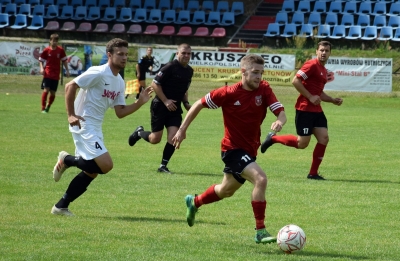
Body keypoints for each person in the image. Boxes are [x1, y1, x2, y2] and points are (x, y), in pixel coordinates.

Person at [172, 54, 287, 244]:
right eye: (255, 72)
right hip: (232, 149)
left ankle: (194, 202)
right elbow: (198, 104)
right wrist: (182, 130)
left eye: (261, 72)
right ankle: (260, 231)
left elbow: (281, 113)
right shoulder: (228, 93)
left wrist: (279, 122)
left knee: (225, 190)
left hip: (249, 150)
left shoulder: (264, 89)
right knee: (260, 179)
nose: (259, 77)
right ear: (243, 72)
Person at [50, 38, 153, 216]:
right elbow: (70, 86)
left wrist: (140, 102)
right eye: (119, 54)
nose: (124, 58)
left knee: (91, 172)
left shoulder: (119, 81)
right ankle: (67, 160)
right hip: (84, 123)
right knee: (106, 165)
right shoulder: (98, 72)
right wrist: (71, 114)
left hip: (96, 127)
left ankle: (61, 206)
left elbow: (120, 112)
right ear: (109, 55)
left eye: (126, 54)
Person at [260, 41, 343, 180]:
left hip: (317, 110)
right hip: (304, 109)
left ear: (330, 53)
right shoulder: (311, 65)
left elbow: (319, 93)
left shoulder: (323, 70)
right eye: (321, 50)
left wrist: (333, 100)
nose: (323, 53)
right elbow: (295, 81)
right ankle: (273, 138)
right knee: (302, 144)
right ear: (316, 51)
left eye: (326, 50)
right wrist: (310, 97)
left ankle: (313, 173)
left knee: (324, 138)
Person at [128, 43, 193, 174]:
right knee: (155, 139)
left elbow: (184, 89)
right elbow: (155, 84)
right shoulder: (170, 67)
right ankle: (139, 133)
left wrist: (186, 103)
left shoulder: (189, 71)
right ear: (177, 53)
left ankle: (163, 166)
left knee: (174, 137)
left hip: (175, 108)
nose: (186, 56)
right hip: (160, 106)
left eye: (188, 53)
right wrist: (166, 101)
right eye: (183, 53)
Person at [39, 33, 70, 113]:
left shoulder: (60, 50)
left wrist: (67, 70)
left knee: (52, 93)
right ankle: (43, 108)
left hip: (56, 74)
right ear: (50, 41)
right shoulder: (46, 50)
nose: (54, 42)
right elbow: (41, 60)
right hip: (47, 73)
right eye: (53, 41)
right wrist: (42, 68)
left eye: (56, 41)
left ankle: (48, 107)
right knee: (46, 90)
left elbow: (64, 61)